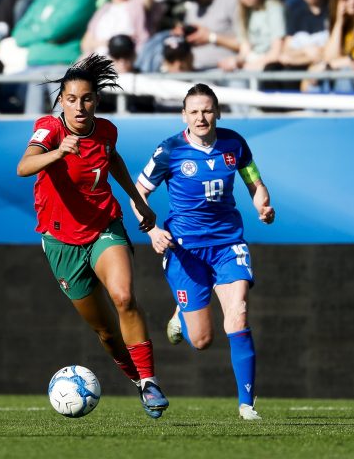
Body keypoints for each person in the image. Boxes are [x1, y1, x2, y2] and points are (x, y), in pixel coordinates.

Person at [16, 53, 169, 419]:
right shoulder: (50, 129)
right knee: (105, 331)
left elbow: (111, 159)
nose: (79, 106)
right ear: (61, 101)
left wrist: (138, 202)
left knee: (124, 297)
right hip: (61, 243)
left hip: (103, 226)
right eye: (71, 99)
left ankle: (149, 381)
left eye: (86, 99)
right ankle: (135, 379)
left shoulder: (106, 130)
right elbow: (24, 167)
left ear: (96, 100)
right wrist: (56, 152)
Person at [133, 83, 275, 421]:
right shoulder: (169, 151)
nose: (202, 117)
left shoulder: (234, 143)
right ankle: (182, 314)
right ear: (184, 115)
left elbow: (254, 182)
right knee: (201, 340)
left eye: (207, 110)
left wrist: (263, 204)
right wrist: (151, 229)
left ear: (218, 112)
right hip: (185, 252)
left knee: (237, 314)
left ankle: (247, 406)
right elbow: (138, 193)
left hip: (228, 245)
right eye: (194, 111)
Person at [218, 0, 285, 72]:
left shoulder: (273, 7)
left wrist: (248, 66)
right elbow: (245, 50)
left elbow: (276, 52)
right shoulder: (243, 12)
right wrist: (235, 61)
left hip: (271, 66)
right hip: (253, 64)